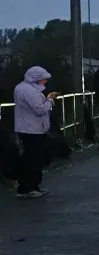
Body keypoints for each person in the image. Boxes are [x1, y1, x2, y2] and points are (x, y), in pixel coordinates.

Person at [13, 66, 57, 198]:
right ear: (37, 79)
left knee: (31, 158)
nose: (45, 82)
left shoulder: (23, 88)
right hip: (32, 129)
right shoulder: (29, 91)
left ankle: (30, 186)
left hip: (29, 128)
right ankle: (28, 187)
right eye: (44, 79)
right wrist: (50, 100)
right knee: (33, 159)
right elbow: (39, 109)